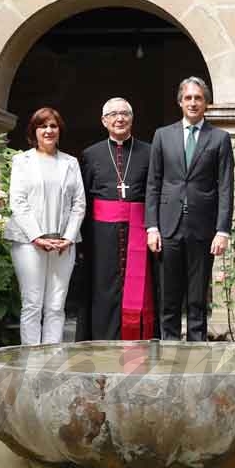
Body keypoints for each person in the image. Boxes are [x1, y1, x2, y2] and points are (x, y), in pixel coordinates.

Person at [146, 77, 234, 342]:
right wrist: (152, 226)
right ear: (180, 102)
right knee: (169, 298)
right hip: (168, 226)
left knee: (197, 299)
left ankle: (196, 357)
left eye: (198, 98)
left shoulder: (219, 138)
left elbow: (226, 187)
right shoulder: (163, 135)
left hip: (203, 228)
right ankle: (170, 355)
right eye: (188, 98)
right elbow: (154, 183)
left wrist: (223, 230)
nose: (193, 103)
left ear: (206, 103)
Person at [5, 107, 85, 345]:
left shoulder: (70, 163)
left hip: (63, 243)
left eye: (53, 126)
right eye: (43, 126)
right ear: (34, 131)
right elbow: (17, 202)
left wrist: (69, 237)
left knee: (56, 305)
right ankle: (31, 361)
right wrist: (37, 237)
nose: (48, 130)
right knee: (32, 303)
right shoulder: (22, 161)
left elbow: (79, 204)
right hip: (28, 242)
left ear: (59, 131)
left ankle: (52, 359)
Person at [78, 98, 155, 341]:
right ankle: (103, 339)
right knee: (104, 287)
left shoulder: (150, 151)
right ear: (104, 121)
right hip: (101, 234)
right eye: (112, 114)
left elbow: (155, 191)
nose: (119, 118)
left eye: (124, 114)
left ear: (132, 119)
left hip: (139, 230)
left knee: (140, 287)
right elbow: (83, 199)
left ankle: (138, 342)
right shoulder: (91, 154)